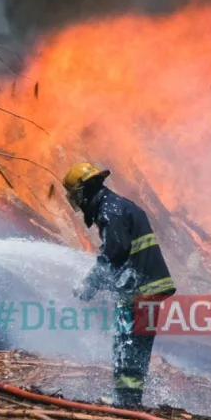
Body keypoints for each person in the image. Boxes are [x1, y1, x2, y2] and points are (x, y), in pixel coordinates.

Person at [63, 162, 176, 407]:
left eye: (75, 196)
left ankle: (125, 401)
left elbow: (114, 252)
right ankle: (130, 399)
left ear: (82, 192)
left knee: (128, 340)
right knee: (136, 343)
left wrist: (90, 284)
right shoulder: (120, 206)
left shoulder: (109, 211)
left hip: (139, 289)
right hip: (150, 287)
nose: (77, 202)